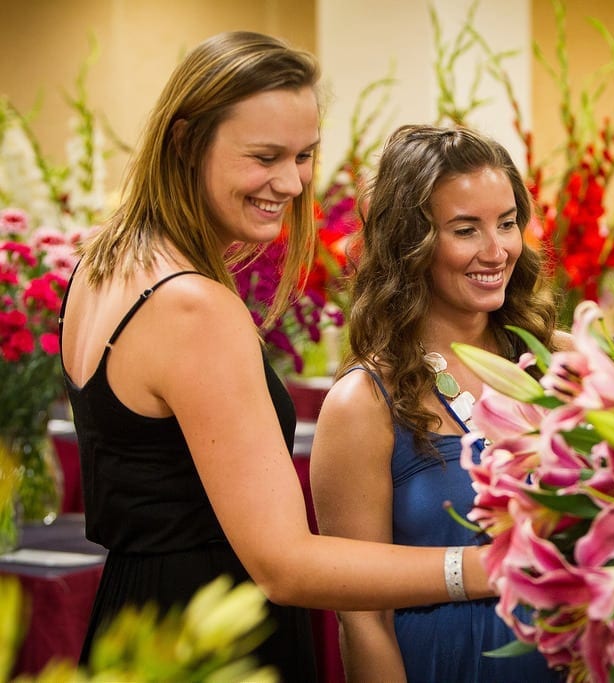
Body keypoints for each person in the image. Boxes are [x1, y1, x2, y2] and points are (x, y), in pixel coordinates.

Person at [58, 33, 494, 681]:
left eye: (305, 155)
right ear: (184, 142)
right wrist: (493, 566)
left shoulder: (106, 261)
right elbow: (285, 565)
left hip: (140, 622)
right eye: (265, 156)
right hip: (210, 640)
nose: (291, 183)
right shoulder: (194, 305)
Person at [310, 124, 569, 682]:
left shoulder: (563, 362)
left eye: (506, 224)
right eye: (465, 230)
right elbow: (362, 619)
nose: (495, 250)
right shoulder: (363, 404)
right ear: (412, 244)